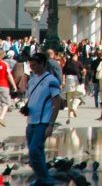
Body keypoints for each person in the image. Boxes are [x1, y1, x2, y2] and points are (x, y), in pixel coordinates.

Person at [24, 51, 63, 186]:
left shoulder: (51, 80)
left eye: (35, 65)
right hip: (31, 121)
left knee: (35, 150)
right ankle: (42, 177)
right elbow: (32, 98)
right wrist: (26, 106)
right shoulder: (32, 79)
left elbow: (57, 102)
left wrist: (51, 124)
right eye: (31, 65)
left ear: (43, 64)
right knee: (36, 151)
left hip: (43, 121)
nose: (32, 68)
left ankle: (45, 178)